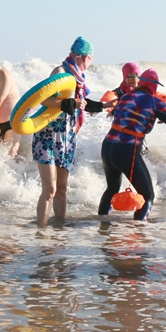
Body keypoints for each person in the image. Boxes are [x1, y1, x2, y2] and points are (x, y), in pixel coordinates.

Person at [98, 69, 166, 221]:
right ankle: (139, 231)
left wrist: (164, 114)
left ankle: (101, 225)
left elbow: (125, 114)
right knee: (148, 195)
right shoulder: (154, 102)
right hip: (126, 149)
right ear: (154, 87)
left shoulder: (125, 97)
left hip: (107, 147)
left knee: (112, 188)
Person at [33, 37, 105, 227]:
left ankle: (59, 228)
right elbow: (43, 99)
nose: (90, 63)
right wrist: (70, 103)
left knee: (62, 189)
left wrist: (104, 106)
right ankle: (41, 233)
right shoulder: (60, 72)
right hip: (48, 136)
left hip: (66, 137)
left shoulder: (79, 78)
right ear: (82, 56)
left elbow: (80, 104)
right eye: (90, 58)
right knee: (49, 189)